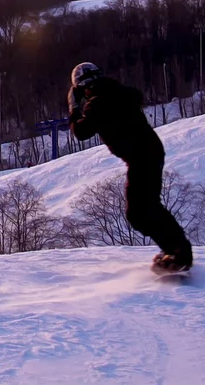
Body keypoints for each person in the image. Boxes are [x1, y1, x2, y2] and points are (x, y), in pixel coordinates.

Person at [68, 62, 193, 271]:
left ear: (83, 88)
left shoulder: (98, 102)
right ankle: (176, 250)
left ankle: (179, 252)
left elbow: (81, 132)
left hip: (141, 157)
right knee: (149, 206)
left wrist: (73, 108)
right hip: (150, 152)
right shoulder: (116, 91)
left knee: (138, 212)